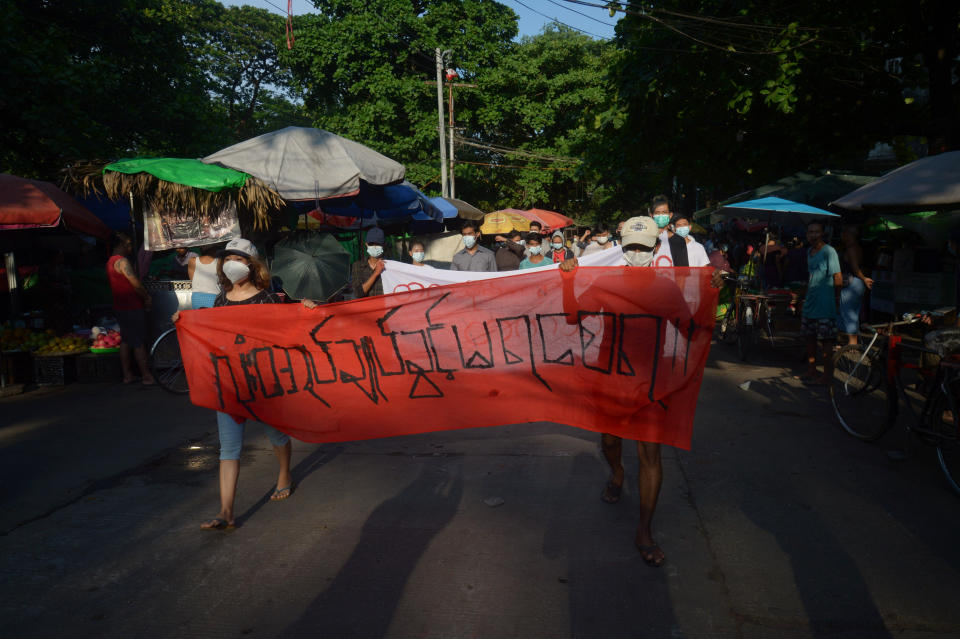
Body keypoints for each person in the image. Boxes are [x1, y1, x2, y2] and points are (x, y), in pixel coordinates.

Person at [559, 216, 723, 567]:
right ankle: (617, 472)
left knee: (651, 454)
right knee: (610, 441)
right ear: (621, 247)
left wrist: (712, 292)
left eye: (642, 247)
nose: (636, 253)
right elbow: (574, 318)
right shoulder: (605, 283)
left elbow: (692, 332)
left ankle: (644, 530)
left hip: (651, 381)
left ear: (654, 250)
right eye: (630, 247)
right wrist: (568, 280)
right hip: (612, 378)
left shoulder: (666, 290)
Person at [172, 238, 293, 530]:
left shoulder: (266, 298)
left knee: (277, 435)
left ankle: (285, 474)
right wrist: (184, 322)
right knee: (228, 449)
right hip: (228, 383)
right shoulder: (220, 299)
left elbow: (284, 331)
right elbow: (210, 336)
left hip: (261, 382)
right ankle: (226, 511)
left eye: (238, 259)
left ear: (251, 266)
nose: (231, 263)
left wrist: (307, 309)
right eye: (228, 258)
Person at [106, 232, 156, 386]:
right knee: (138, 342)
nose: (130, 247)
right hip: (131, 307)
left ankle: (128, 375)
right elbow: (135, 284)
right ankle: (146, 376)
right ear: (119, 245)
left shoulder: (110, 261)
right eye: (127, 244)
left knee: (126, 340)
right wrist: (147, 298)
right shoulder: (122, 262)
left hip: (121, 307)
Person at [799, 221, 842, 385]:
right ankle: (811, 370)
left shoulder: (829, 252)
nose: (813, 235)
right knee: (809, 338)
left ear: (822, 233)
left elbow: (838, 278)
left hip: (825, 304)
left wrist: (836, 301)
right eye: (810, 232)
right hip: (811, 302)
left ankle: (827, 376)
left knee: (826, 342)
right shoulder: (809, 251)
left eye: (816, 232)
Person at [838, 225, 873, 345]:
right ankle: (853, 342)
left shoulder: (851, 248)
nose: (842, 236)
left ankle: (852, 343)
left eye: (843, 233)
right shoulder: (858, 248)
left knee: (848, 313)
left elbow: (855, 268)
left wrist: (864, 278)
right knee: (853, 313)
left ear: (848, 234)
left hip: (853, 283)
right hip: (858, 283)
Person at [351, 227, 387, 298]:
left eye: (378, 244)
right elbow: (358, 294)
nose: (375, 247)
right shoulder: (358, 266)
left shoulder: (389, 266)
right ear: (366, 244)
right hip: (366, 308)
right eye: (371, 244)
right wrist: (376, 273)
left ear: (383, 245)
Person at [188, 244, 221, 309]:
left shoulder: (192, 260)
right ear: (214, 250)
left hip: (197, 296)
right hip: (214, 295)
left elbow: (192, 279)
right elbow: (220, 280)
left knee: (199, 318)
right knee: (213, 318)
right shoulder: (219, 261)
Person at [650, 195, 675, 267]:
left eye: (664, 212)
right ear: (651, 215)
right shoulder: (645, 239)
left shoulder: (678, 240)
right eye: (657, 213)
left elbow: (682, 273)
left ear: (670, 215)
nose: (661, 215)